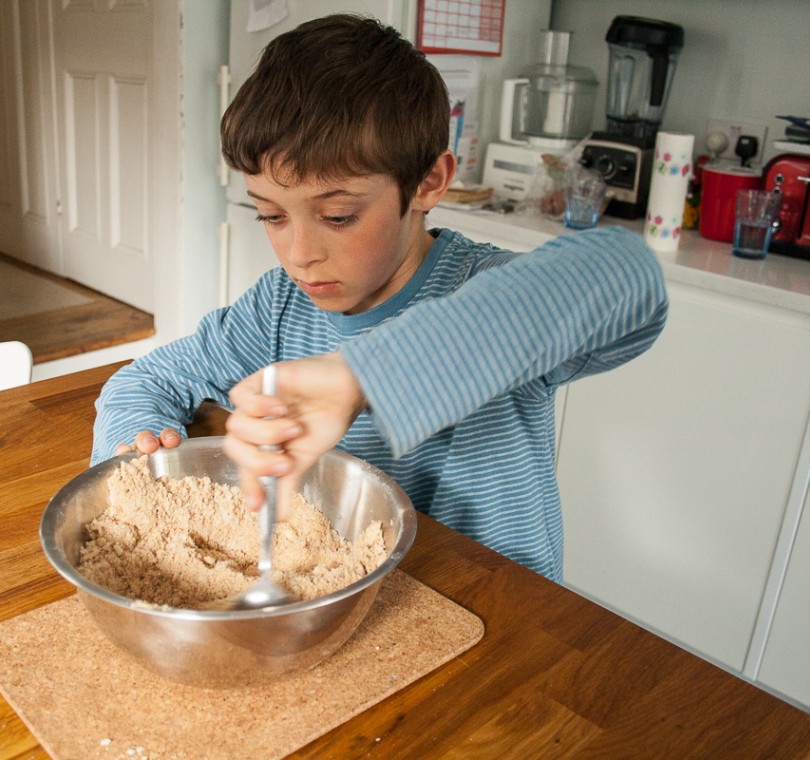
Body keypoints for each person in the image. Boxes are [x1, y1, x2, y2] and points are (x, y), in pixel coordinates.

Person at [91, 14, 668, 582]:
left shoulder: (486, 289)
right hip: (357, 607)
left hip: (496, 610)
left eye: (338, 216)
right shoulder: (278, 307)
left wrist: (363, 374)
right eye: (271, 216)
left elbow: (626, 272)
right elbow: (145, 380)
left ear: (428, 183)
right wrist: (141, 452)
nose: (299, 254)